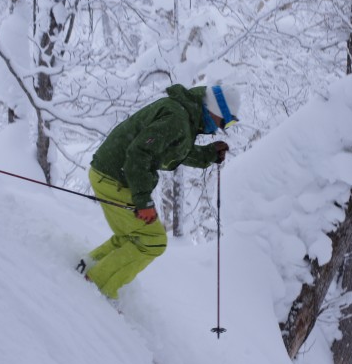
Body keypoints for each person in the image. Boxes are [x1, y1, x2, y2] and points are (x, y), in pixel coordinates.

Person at [80, 83, 240, 299]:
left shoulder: (184, 117)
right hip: (113, 177)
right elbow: (138, 153)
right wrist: (143, 201)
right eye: (226, 121)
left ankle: (87, 266)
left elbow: (175, 149)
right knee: (153, 241)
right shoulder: (177, 119)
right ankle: (97, 286)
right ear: (215, 110)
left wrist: (208, 155)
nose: (222, 128)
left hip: (108, 173)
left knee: (134, 235)